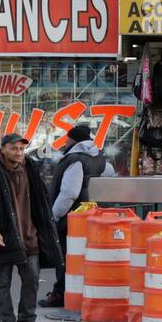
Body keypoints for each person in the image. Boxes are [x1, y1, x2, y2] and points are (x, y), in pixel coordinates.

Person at [0, 133, 63, 322]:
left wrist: (46, 228)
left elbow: (41, 201)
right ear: (3, 149)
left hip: (30, 236)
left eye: (22, 149)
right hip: (3, 238)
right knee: (3, 285)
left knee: (31, 280)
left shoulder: (31, 168)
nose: (19, 153)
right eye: (14, 149)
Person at [42, 123, 116, 308]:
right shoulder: (98, 158)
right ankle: (82, 291)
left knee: (66, 257)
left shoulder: (74, 160)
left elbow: (69, 192)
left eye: (68, 138)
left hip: (71, 219)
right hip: (91, 215)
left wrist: (55, 215)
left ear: (73, 139)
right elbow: (109, 176)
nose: (65, 141)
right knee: (83, 256)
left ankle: (61, 294)